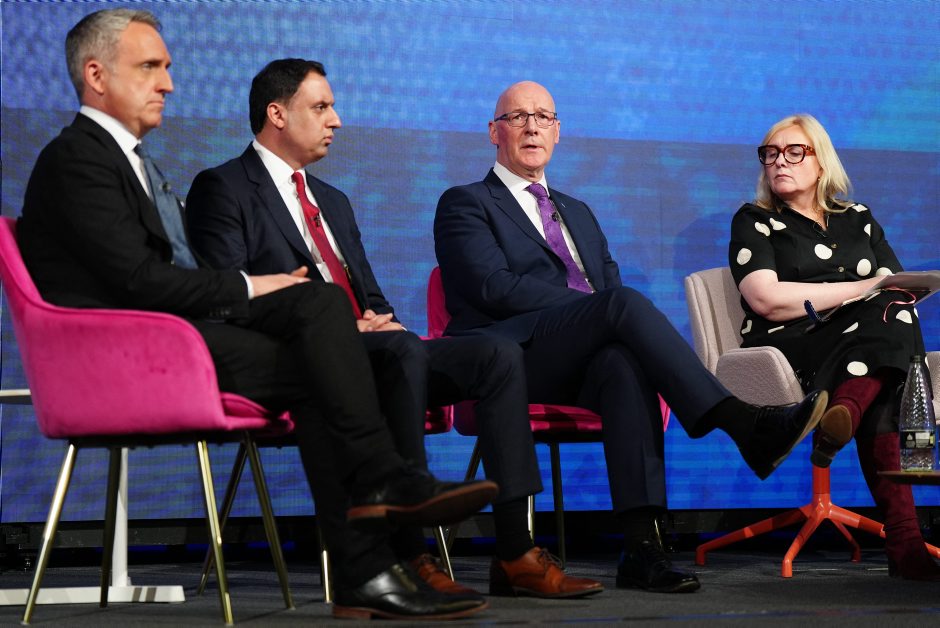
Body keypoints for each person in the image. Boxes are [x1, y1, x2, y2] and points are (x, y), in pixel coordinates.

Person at [17, 9, 498, 620]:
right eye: (149, 67)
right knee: (320, 313)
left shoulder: (132, 161)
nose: (168, 83)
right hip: (123, 355)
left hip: (168, 340)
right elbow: (137, 282)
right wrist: (248, 287)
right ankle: (383, 490)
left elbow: (168, 276)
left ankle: (367, 572)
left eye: (166, 67)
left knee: (322, 349)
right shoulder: (78, 158)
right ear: (96, 75)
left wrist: (255, 290)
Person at [185, 58, 603, 600]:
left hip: (373, 347)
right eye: (321, 107)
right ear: (277, 114)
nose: (336, 120)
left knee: (495, 355)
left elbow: (372, 298)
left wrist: (379, 319)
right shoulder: (223, 188)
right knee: (402, 353)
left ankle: (515, 551)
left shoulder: (333, 201)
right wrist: (341, 326)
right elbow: (228, 297)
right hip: (299, 357)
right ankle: (410, 555)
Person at [433, 80, 829, 594]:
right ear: (494, 132)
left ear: (558, 131)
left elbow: (609, 289)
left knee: (623, 361)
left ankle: (643, 548)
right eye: (518, 117)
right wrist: (592, 310)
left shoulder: (578, 212)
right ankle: (739, 421)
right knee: (620, 308)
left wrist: (601, 314)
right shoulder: (466, 202)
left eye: (543, 117)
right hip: (506, 355)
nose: (532, 127)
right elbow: (492, 287)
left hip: (578, 356)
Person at [728, 113, 940, 580]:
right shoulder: (756, 221)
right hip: (789, 343)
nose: (779, 161)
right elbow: (766, 299)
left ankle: (843, 414)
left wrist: (876, 293)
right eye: (770, 154)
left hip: (864, 343)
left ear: (821, 162)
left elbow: (897, 288)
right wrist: (862, 289)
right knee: (887, 345)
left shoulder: (858, 218)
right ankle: (905, 541)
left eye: (794, 152)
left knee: (893, 326)